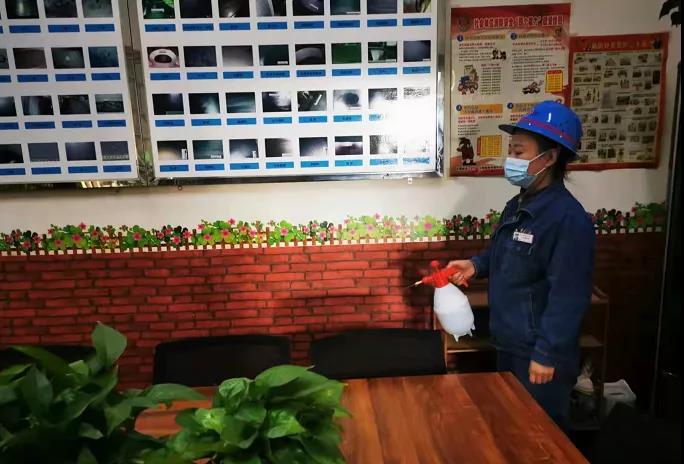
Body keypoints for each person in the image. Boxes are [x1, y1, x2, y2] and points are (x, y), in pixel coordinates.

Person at [448, 101, 595, 429]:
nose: (510, 159)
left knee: (541, 436)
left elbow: (569, 296)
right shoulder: (517, 205)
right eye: (510, 151)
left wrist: (546, 353)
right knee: (511, 428)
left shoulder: (567, 219)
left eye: (518, 151)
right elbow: (505, 254)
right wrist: (475, 265)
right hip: (509, 342)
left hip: (539, 355)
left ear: (550, 158)